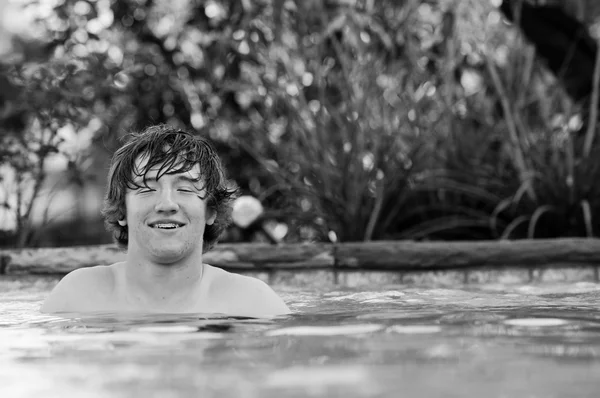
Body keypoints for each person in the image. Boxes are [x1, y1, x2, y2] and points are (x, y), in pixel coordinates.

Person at [41, 125, 290, 317]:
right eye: (147, 189)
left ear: (211, 210)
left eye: (185, 189)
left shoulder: (252, 304)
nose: (167, 204)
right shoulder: (77, 297)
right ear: (122, 210)